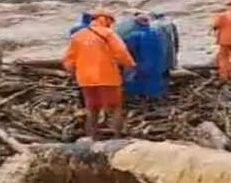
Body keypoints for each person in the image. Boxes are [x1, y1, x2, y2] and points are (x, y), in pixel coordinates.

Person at [62, 9, 136, 139]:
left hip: (86, 79)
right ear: (107, 20)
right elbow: (121, 53)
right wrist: (130, 65)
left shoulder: (78, 36)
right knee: (115, 108)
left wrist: (75, 73)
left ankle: (92, 137)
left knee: (92, 109)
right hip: (108, 77)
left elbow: (68, 60)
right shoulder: (108, 34)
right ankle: (117, 138)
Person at [123, 15, 166, 103]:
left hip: (142, 62)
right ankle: (155, 98)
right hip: (157, 62)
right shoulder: (157, 32)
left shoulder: (133, 35)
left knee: (136, 80)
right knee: (155, 80)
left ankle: (139, 98)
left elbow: (129, 50)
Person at [150, 11, 179, 84]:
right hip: (170, 49)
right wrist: (176, 50)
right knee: (167, 66)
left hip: (159, 50)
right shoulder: (170, 23)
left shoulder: (153, 25)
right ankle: (167, 82)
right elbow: (176, 38)